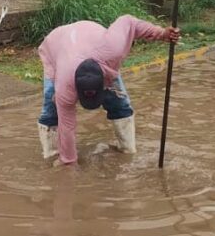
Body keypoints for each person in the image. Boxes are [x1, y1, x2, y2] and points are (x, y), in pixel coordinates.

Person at [37, 15, 180, 165]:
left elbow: (128, 21)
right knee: (52, 109)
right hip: (57, 45)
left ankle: (128, 150)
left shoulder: (113, 49)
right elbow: (67, 125)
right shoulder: (64, 86)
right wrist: (68, 163)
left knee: (120, 103)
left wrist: (161, 33)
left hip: (93, 39)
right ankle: (51, 154)